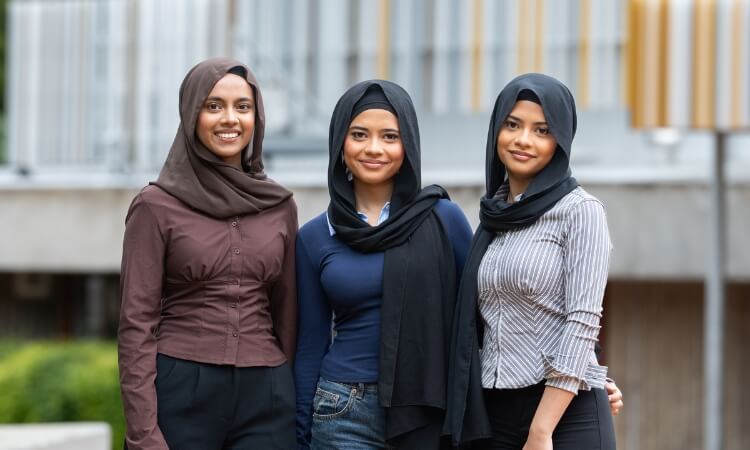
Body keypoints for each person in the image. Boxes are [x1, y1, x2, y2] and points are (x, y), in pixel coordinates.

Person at [118, 57, 297, 450]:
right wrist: (143, 434)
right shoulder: (155, 206)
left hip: (266, 393)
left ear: (257, 117)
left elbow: (287, 313)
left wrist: (287, 392)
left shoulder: (280, 206)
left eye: (243, 107)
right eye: (213, 106)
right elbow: (136, 325)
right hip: (182, 390)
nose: (229, 119)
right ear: (191, 113)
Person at [293, 80, 475, 449]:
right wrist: (298, 434)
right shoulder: (314, 237)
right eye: (359, 134)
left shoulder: (444, 219)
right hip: (342, 408)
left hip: (427, 407)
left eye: (390, 136)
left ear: (407, 145)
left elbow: (484, 315)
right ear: (340, 145)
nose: (374, 148)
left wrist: (584, 375)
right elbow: (310, 344)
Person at [446, 73, 617, 450]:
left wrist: (541, 430)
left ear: (561, 141)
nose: (524, 140)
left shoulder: (580, 211)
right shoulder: (493, 217)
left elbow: (582, 321)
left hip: (564, 416)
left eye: (542, 130)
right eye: (512, 125)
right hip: (496, 411)